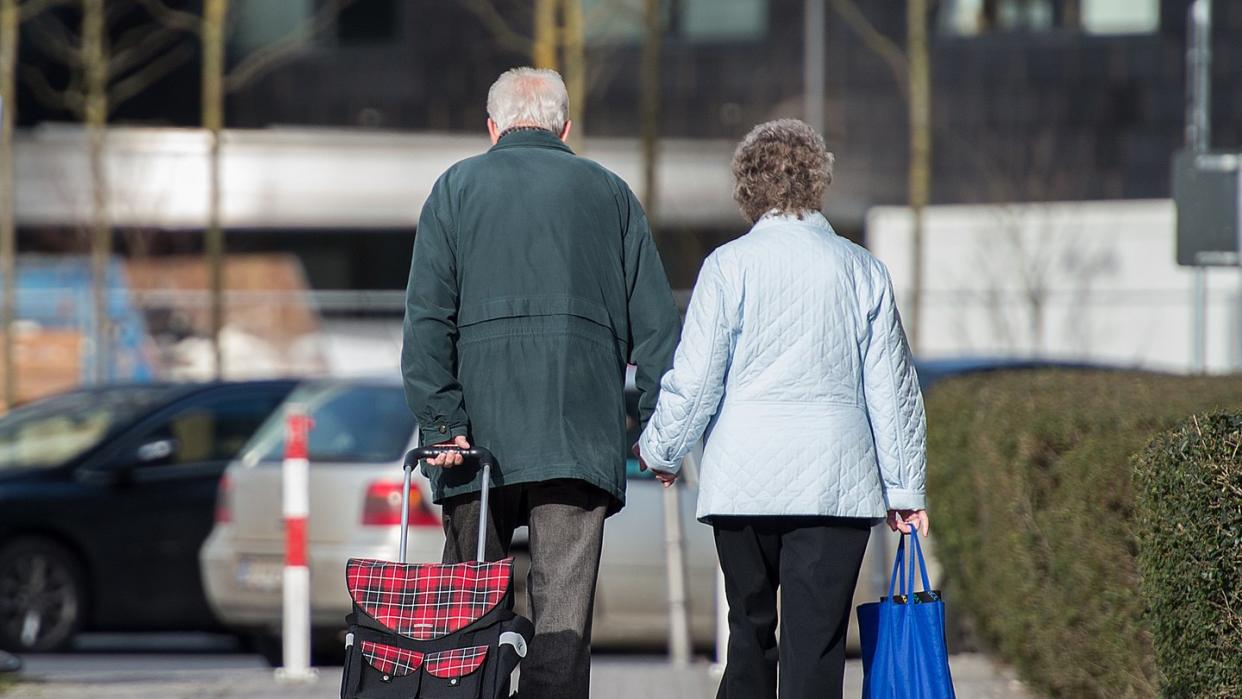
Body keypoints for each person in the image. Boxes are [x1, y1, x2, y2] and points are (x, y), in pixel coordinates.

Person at [402, 67, 679, 698]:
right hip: (577, 435)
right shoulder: (610, 195)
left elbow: (426, 321)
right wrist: (662, 426)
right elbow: (658, 327)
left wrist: (442, 421)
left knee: (469, 616)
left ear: (492, 126)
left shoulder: (455, 189)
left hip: (475, 445)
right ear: (566, 128)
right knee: (563, 624)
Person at [637, 119, 930, 699]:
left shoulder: (727, 267)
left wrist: (662, 450)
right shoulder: (861, 270)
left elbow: (695, 378)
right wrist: (904, 488)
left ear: (748, 187)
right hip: (834, 485)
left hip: (744, 482)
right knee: (815, 645)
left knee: (748, 634)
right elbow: (893, 391)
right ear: (818, 181)